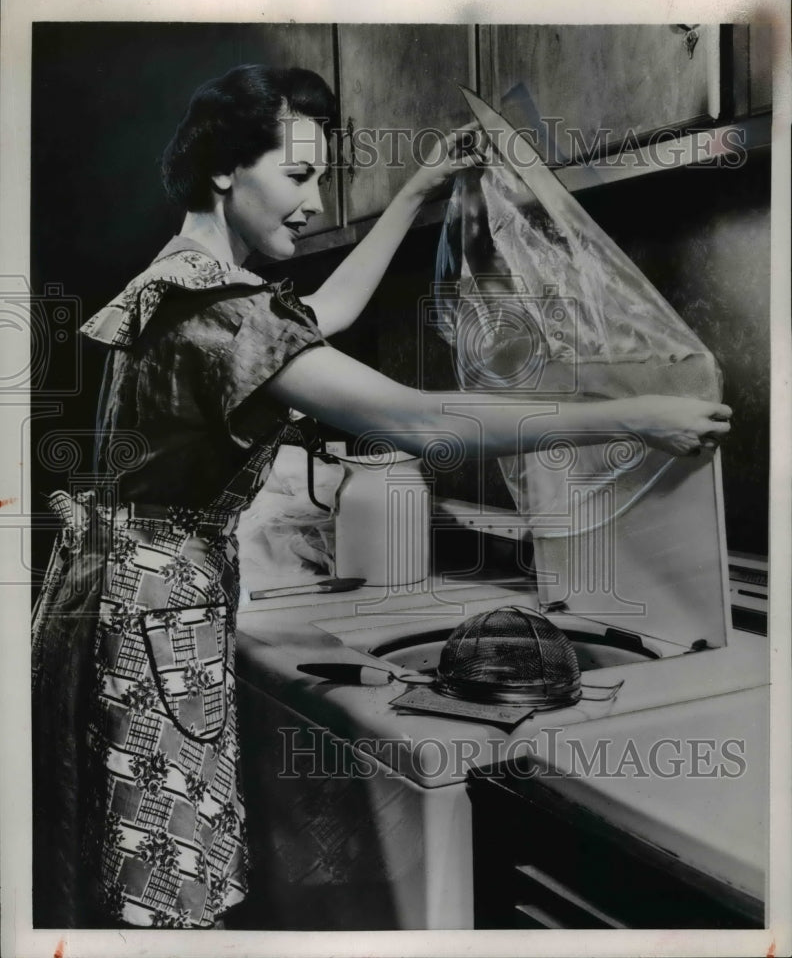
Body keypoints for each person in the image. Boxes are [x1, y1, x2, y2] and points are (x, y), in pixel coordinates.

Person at [31, 64, 731, 930]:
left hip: (116, 594)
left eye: (321, 178)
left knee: (121, 875)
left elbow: (319, 314)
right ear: (224, 169)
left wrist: (416, 192)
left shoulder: (176, 279)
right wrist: (633, 416)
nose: (315, 200)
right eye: (296, 176)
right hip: (157, 611)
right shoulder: (220, 308)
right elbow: (421, 424)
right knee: (168, 894)